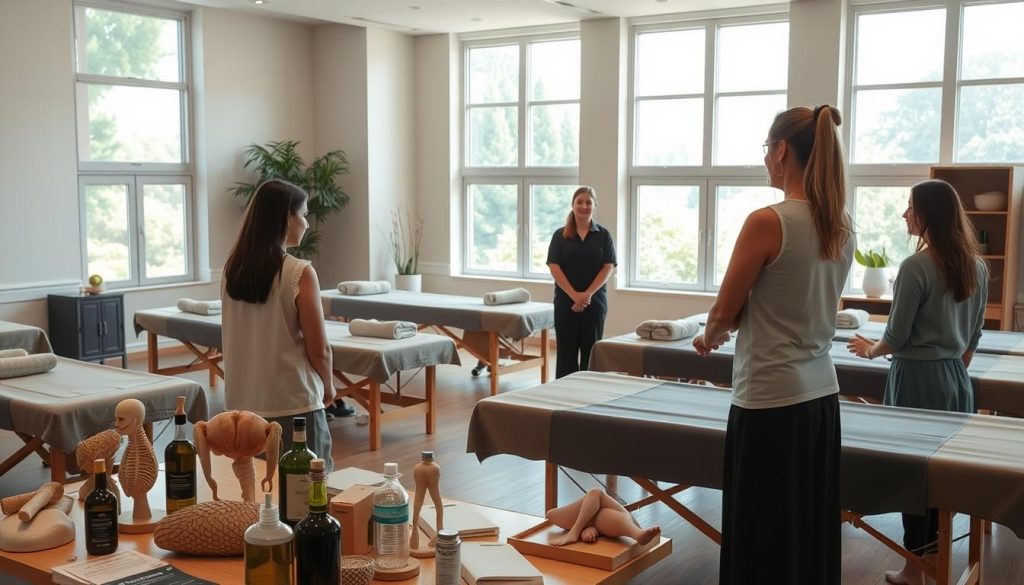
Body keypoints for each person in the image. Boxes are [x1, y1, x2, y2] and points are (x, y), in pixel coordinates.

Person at [693, 105, 854, 585]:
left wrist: (709, 337)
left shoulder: (768, 221)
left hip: (770, 400)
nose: (766, 157)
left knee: (763, 536)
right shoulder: (841, 225)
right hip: (821, 397)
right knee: (807, 528)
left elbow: (724, 312)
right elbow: (795, 299)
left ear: (782, 151)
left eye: (767, 148)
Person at [847, 179, 987, 585]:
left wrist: (870, 350)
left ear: (928, 214)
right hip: (955, 377)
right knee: (942, 474)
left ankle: (916, 570)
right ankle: (935, 561)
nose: (904, 213)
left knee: (914, 475)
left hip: (916, 379)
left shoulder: (915, 266)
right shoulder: (976, 266)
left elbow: (896, 336)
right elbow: (973, 336)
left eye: (910, 206)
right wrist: (950, 364)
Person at [221, 179, 336, 472]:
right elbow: (319, 349)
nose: (306, 223)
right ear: (287, 217)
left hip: (242, 406)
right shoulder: (299, 272)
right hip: (294, 402)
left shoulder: (232, 270)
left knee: (256, 488)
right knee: (309, 488)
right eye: (304, 215)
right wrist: (328, 385)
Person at [546, 186, 616, 379]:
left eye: (588, 202)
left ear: (594, 206)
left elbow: (608, 267)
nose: (584, 206)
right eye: (580, 202)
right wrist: (574, 295)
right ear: (573, 205)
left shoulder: (603, 235)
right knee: (566, 355)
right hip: (565, 304)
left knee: (591, 354)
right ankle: (564, 392)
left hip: (595, 304)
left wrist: (586, 295)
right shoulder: (560, 235)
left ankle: (589, 392)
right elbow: (554, 267)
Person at [545, 488, 660, 547]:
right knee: (551, 514)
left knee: (596, 494)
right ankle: (636, 532)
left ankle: (578, 530)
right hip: (605, 519)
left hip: (600, 519)